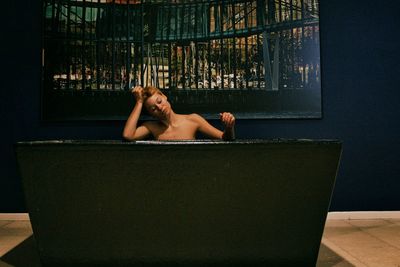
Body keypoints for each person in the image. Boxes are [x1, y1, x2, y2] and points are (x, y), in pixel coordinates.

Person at [123, 86, 235, 141]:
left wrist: (229, 127)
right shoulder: (152, 127)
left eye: (159, 101)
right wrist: (139, 102)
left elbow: (224, 138)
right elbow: (128, 135)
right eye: (153, 109)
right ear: (152, 115)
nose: (160, 107)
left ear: (164, 96)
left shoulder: (193, 120)